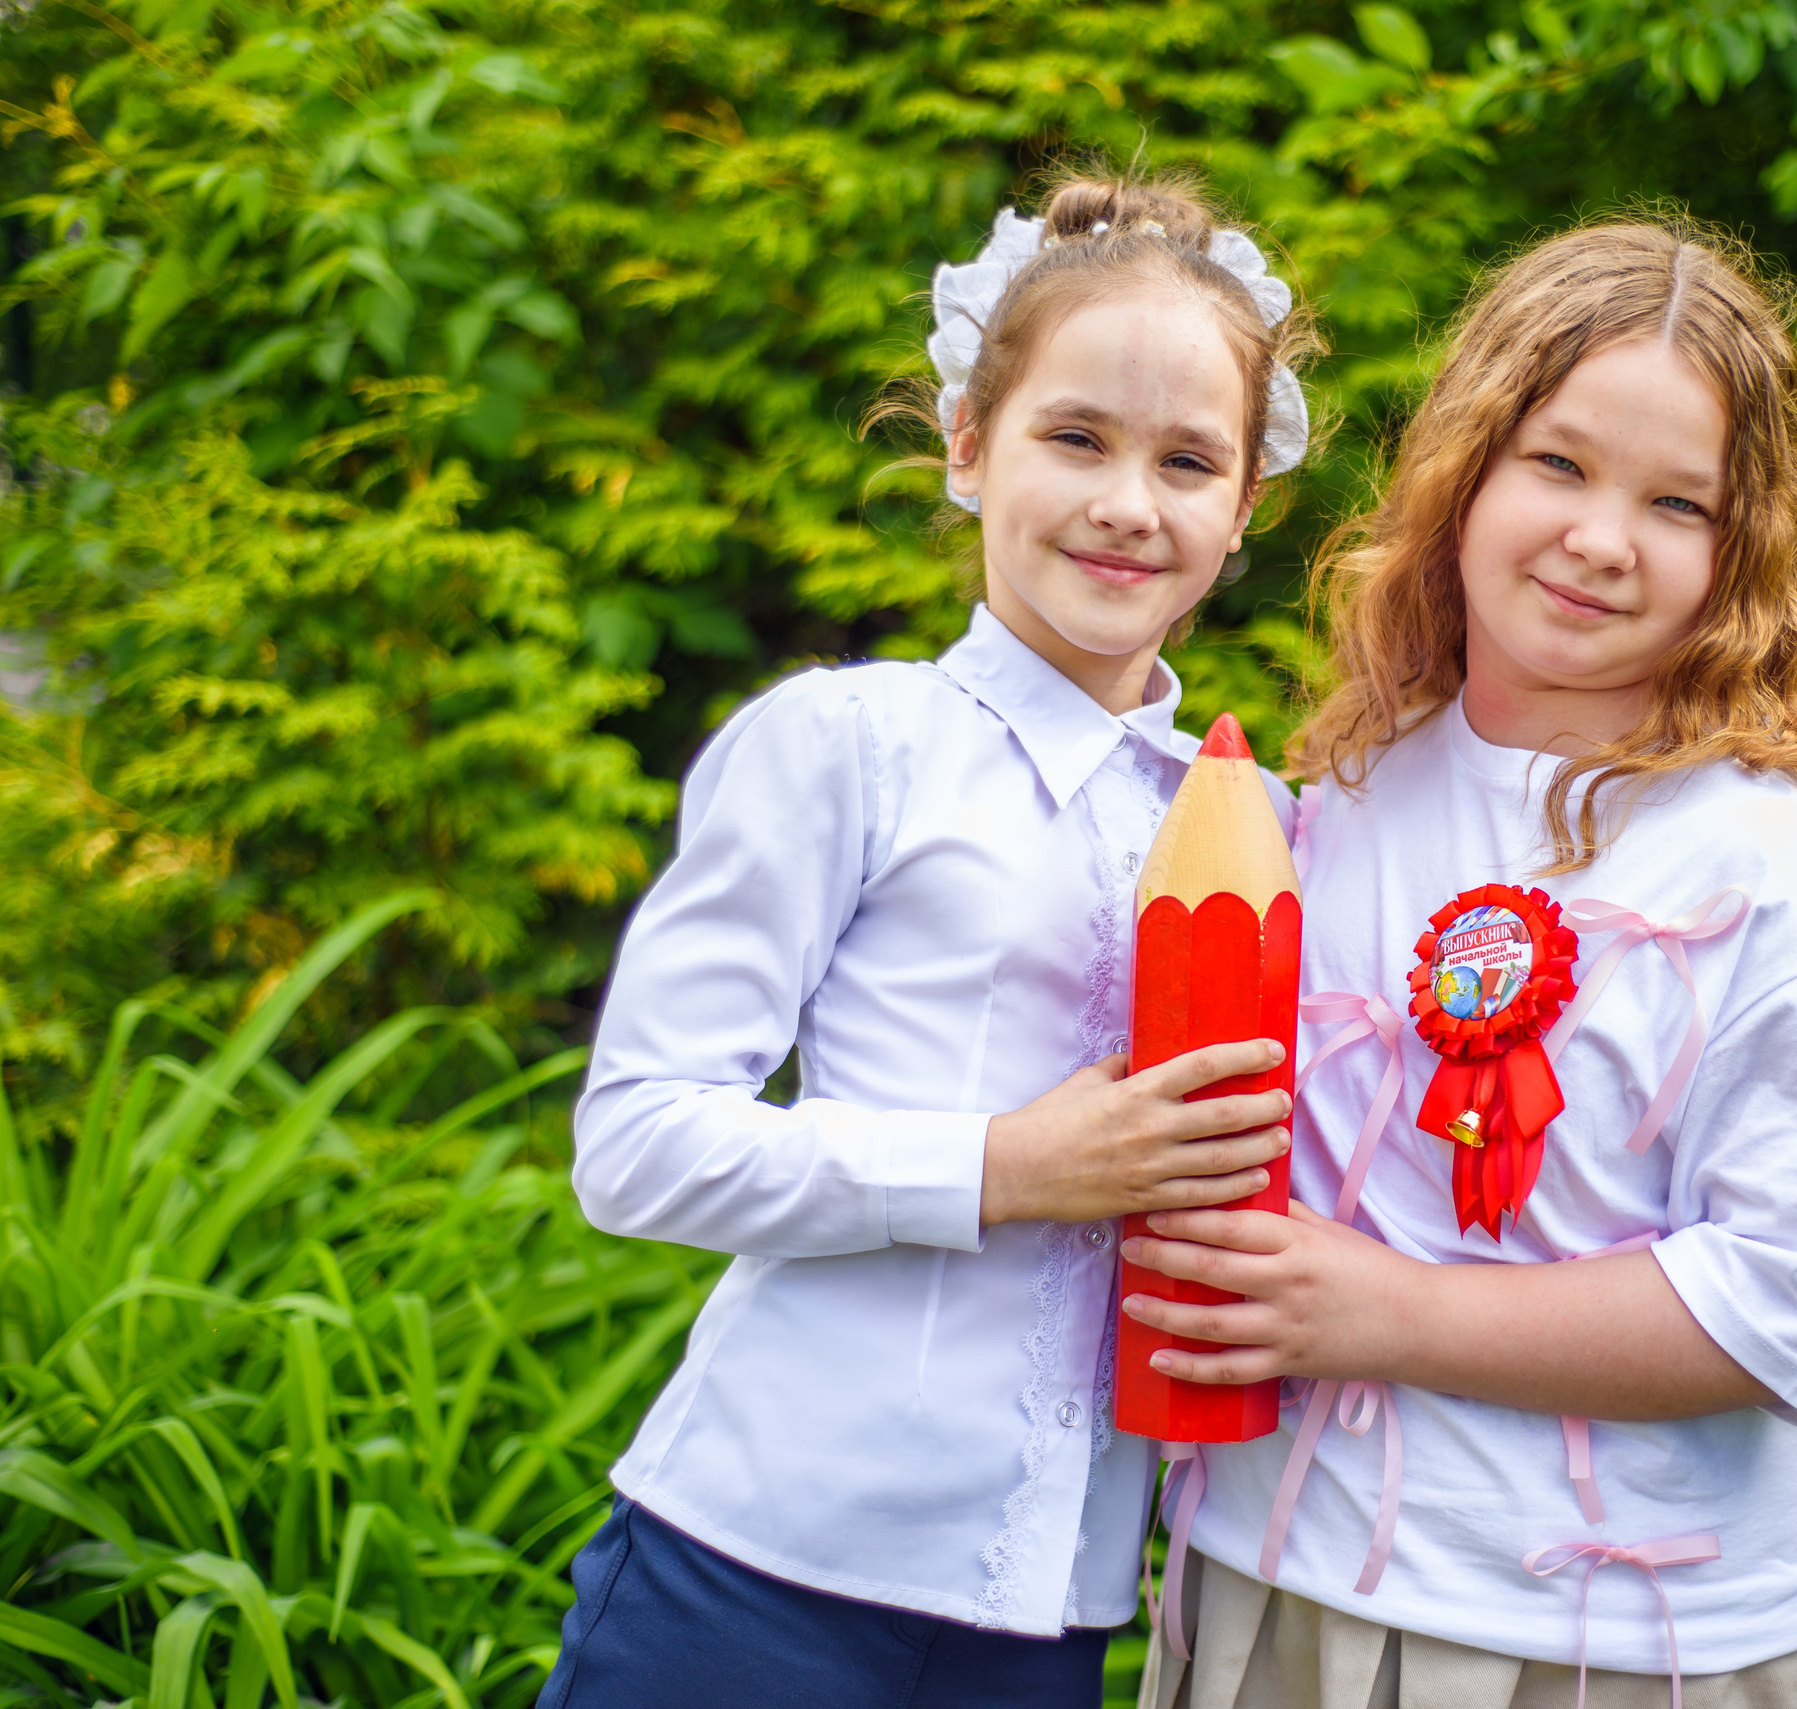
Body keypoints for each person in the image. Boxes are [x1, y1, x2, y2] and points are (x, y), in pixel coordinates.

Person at [1123, 218, 1797, 1709]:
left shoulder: (1772, 874)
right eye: (1557, 463)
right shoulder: (1341, 798)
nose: (1600, 537)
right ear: (1465, 469)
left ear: (1743, 554)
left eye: (1677, 501)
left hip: (1631, 1650)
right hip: (1278, 1587)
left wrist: (1385, 1312)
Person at [537, 173, 1318, 1709]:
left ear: (1242, 512)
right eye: (1075, 437)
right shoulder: (848, 746)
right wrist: (1004, 1166)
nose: (1125, 503)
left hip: (1052, 1617)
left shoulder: (1271, 821)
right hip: (750, 1577)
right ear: (969, 444)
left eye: (1187, 461)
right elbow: (634, 1142)